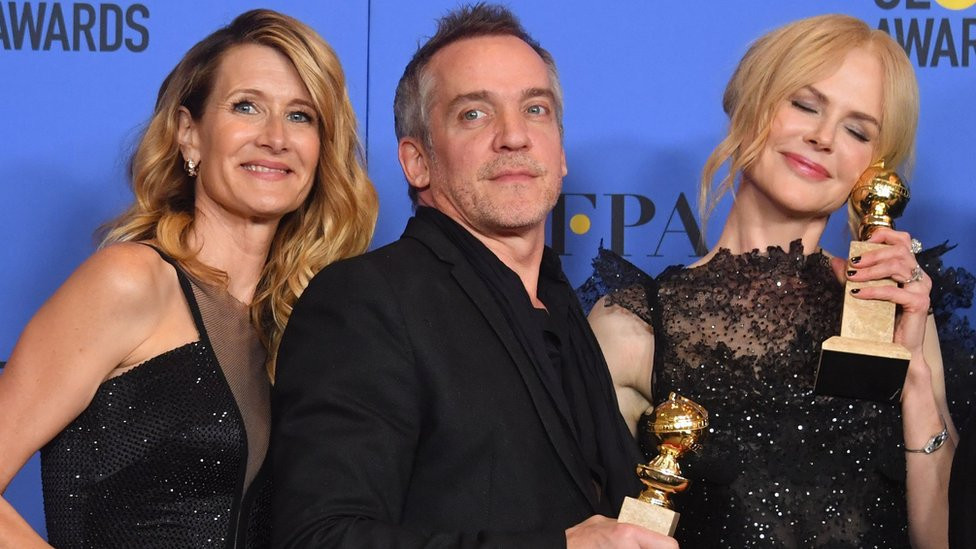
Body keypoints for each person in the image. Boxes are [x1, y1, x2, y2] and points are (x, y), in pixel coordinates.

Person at [271, 4, 677, 548]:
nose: (515, 136)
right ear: (417, 162)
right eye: (474, 114)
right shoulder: (364, 301)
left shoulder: (564, 310)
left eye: (536, 109)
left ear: (560, 154)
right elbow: (318, 539)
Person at [0, 9, 377, 548]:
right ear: (189, 135)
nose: (275, 137)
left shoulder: (300, 325)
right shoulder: (130, 281)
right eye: (246, 106)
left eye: (302, 116)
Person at [585, 14, 955, 548]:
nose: (822, 137)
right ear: (753, 102)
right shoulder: (634, 325)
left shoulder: (895, 306)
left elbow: (938, 536)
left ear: (874, 168)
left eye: (856, 130)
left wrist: (914, 370)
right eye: (805, 104)